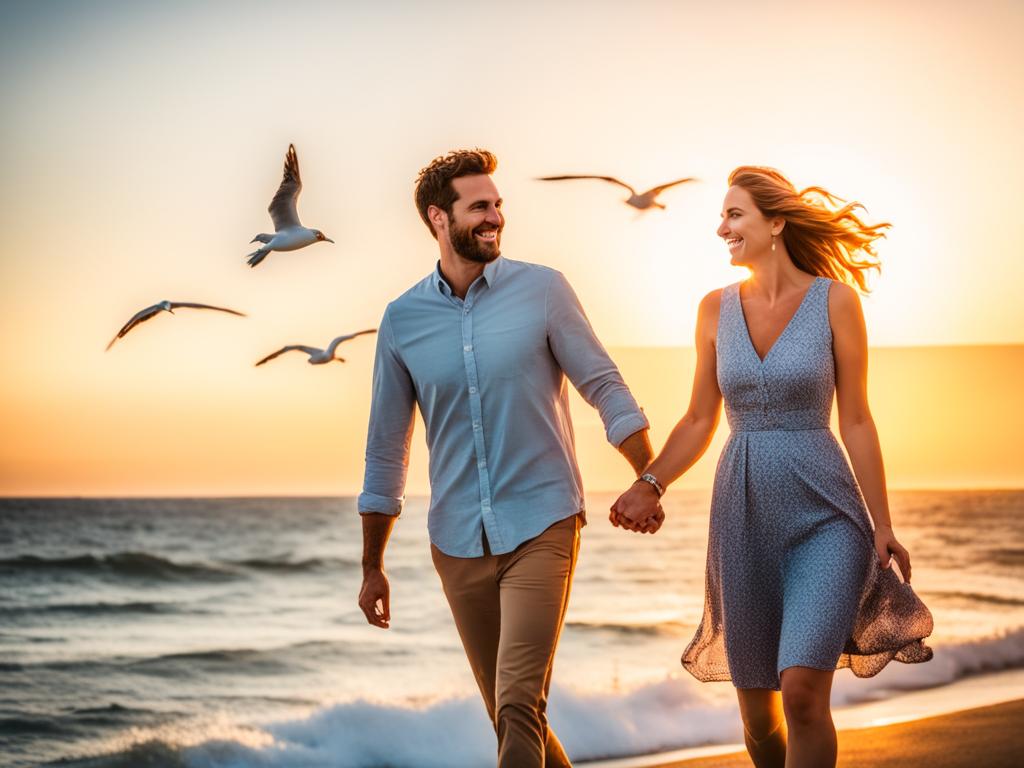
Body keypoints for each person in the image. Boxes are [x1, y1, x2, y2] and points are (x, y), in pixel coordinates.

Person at [610, 166, 933, 768]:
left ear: (775, 222)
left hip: (827, 515)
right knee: (758, 714)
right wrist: (648, 483)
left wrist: (882, 524)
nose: (721, 228)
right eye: (722, 216)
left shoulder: (835, 301)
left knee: (805, 695)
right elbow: (699, 420)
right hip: (743, 516)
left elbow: (857, 419)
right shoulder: (713, 309)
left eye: (735, 215)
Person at [357, 149, 657, 767]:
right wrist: (372, 566)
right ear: (439, 218)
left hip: (543, 521)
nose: (495, 217)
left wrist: (647, 476)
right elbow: (387, 447)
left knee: (520, 702)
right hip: (457, 541)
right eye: (480, 207)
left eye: (498, 205)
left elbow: (604, 384)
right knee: (510, 712)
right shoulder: (402, 320)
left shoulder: (543, 290)